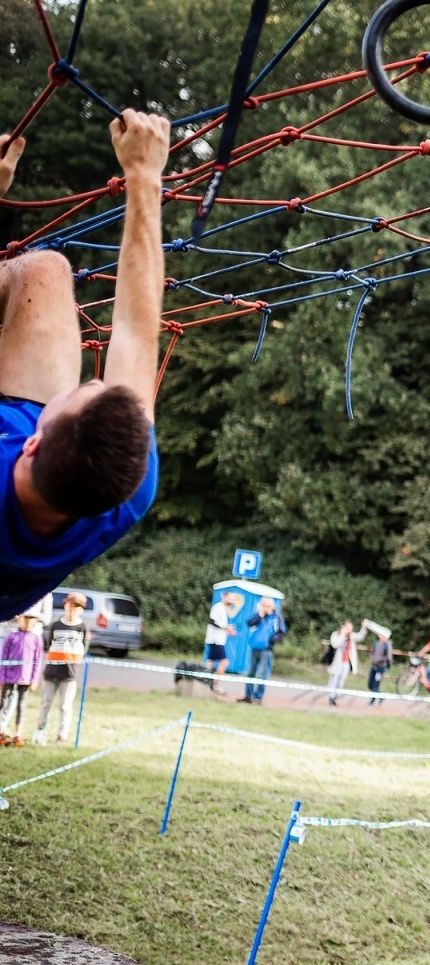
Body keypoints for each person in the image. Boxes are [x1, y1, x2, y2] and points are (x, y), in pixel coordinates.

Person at [0, 115, 170, 618]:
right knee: (44, 271)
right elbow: (138, 334)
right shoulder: (126, 484)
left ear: (30, 442)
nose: (95, 378)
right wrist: (144, 177)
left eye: (79, 391)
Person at [33, 591, 88, 744]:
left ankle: (62, 735)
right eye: (70, 605)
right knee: (46, 702)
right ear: (65, 605)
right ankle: (40, 730)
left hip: (69, 672)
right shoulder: (55, 625)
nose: (73, 609)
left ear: (81, 609)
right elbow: (50, 644)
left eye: (77, 607)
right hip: (51, 670)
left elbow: (84, 648)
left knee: (65, 705)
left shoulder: (82, 627)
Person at [0, 612, 44, 745]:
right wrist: (2, 677)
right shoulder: (11, 637)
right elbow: (4, 658)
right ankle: (1, 730)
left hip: (25, 678)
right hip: (9, 676)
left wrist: (34, 679)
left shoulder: (36, 640)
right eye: (26, 618)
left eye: (31, 619)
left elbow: (37, 661)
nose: (28, 622)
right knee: (3, 702)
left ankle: (17, 734)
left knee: (21, 705)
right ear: (19, 619)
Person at [240, 598, 282, 705]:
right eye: (264, 605)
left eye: (268, 606)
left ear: (272, 607)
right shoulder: (257, 616)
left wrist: (271, 640)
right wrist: (260, 616)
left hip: (266, 649)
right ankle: (248, 696)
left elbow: (281, 632)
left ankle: (258, 697)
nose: (265, 607)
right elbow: (249, 623)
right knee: (250, 672)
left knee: (262, 674)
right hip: (254, 648)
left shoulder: (276, 618)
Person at [202, 593, 238, 688]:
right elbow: (212, 621)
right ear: (224, 597)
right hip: (215, 640)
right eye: (230, 599)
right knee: (224, 662)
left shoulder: (222, 608)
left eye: (233, 599)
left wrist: (226, 629)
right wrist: (225, 628)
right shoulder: (218, 607)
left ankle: (205, 681)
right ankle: (214, 684)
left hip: (218, 640)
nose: (231, 601)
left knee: (210, 662)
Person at [325, 619, 364, 705]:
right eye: (349, 628)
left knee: (341, 680)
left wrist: (363, 628)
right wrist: (342, 635)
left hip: (346, 662)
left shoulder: (351, 636)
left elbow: (360, 636)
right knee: (334, 679)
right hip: (336, 662)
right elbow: (335, 644)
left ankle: (335, 696)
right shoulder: (336, 635)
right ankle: (331, 697)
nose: (350, 630)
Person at [367, 624, 393, 705]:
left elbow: (388, 656)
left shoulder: (387, 645)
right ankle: (380, 696)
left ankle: (372, 701)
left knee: (375, 685)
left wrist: (386, 663)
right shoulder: (377, 643)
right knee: (370, 684)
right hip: (374, 666)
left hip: (380, 667)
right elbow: (373, 652)